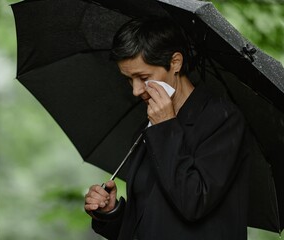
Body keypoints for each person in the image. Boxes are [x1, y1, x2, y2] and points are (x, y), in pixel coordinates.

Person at [84, 17, 249, 240]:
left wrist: (165, 128)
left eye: (143, 77)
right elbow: (152, 224)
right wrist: (111, 213)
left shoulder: (222, 120)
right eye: (128, 79)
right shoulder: (148, 128)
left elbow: (193, 203)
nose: (135, 90)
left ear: (175, 63)